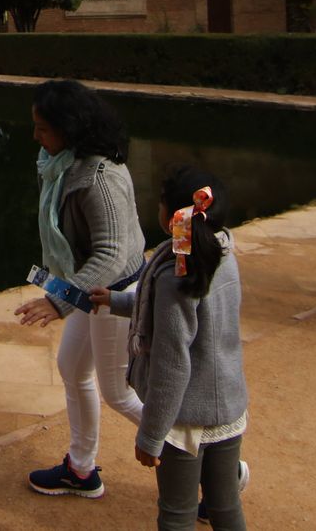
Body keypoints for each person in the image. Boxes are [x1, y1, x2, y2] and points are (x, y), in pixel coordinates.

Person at [92, 167, 250, 531]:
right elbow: (181, 314)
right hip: (228, 407)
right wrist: (116, 301)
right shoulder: (222, 256)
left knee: (177, 514)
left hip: (185, 420)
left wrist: (150, 436)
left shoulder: (176, 274)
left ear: (171, 216)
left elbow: (171, 365)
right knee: (225, 506)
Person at [15, 79, 145, 500]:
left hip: (113, 295)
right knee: (72, 368)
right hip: (89, 292)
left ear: (70, 129)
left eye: (43, 128)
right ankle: (80, 467)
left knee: (119, 393)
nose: (35, 136)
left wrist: (59, 300)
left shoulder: (99, 179)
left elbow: (110, 255)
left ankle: (217, 463)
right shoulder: (63, 164)